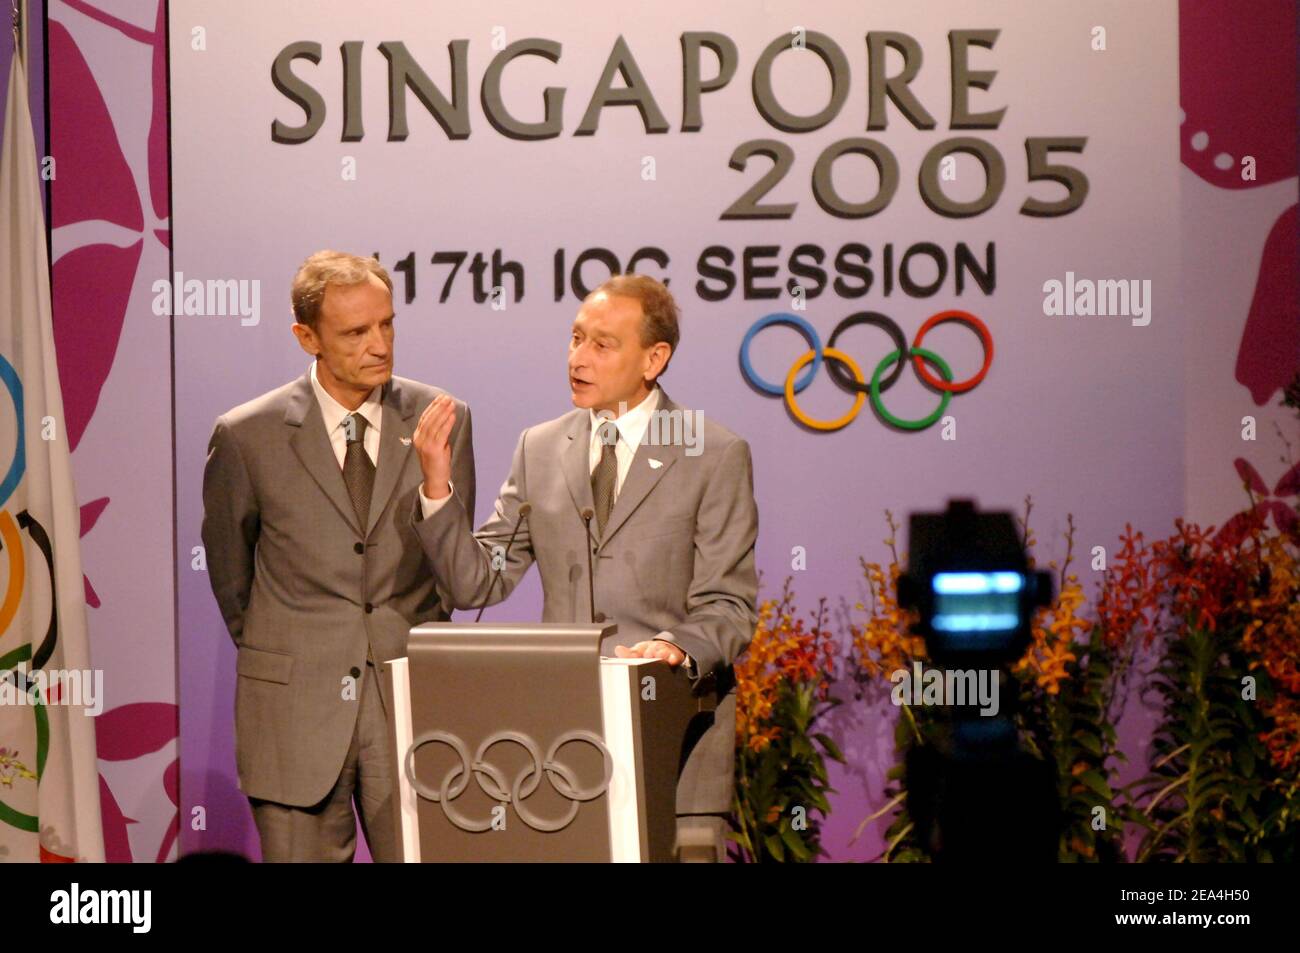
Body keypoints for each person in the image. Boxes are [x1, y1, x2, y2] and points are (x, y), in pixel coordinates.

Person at [410, 273, 757, 861]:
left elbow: (730, 605)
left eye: (602, 344)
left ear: (655, 358)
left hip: (675, 737)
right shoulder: (540, 447)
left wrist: (675, 646)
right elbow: (479, 580)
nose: (578, 358)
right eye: (575, 339)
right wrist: (438, 486)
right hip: (566, 747)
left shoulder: (713, 452)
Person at [201, 250, 475, 862]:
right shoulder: (247, 435)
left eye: (387, 324)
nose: (379, 344)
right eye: (355, 331)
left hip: (411, 705)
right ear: (307, 338)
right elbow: (232, 576)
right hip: (294, 710)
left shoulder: (440, 420)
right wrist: (296, 650)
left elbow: (456, 572)